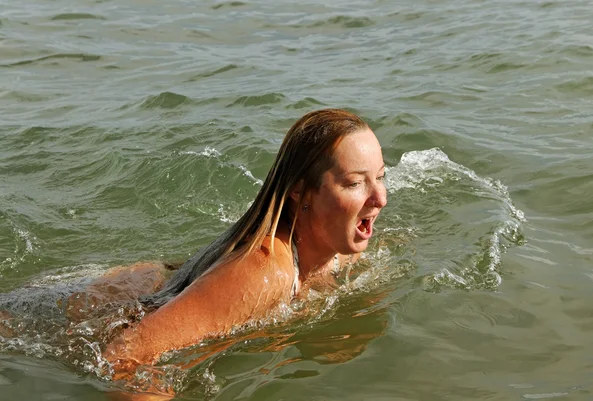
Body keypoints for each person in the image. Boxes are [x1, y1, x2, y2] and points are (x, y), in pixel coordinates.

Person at [102, 108, 388, 378]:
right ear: (301, 191)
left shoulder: (343, 251)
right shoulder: (263, 270)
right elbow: (123, 356)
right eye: (354, 183)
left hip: (153, 283)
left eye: (380, 177)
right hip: (100, 313)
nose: (380, 199)